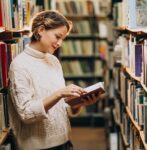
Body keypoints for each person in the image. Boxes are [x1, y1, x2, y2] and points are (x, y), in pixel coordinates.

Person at [8, 10, 105, 150]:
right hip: (38, 147)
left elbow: (59, 108)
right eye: (57, 36)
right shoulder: (19, 65)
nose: (60, 43)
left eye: (63, 39)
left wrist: (77, 104)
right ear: (41, 30)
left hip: (64, 142)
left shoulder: (53, 60)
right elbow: (26, 113)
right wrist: (59, 93)